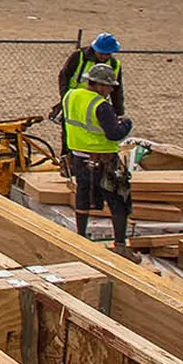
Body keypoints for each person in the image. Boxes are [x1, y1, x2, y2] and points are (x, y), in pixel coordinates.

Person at [63, 61, 136, 257]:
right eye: (109, 86)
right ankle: (120, 246)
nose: (111, 89)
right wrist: (126, 124)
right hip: (102, 159)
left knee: (83, 196)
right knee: (119, 200)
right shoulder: (100, 105)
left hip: (78, 157)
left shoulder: (70, 96)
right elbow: (113, 134)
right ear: (100, 85)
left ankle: (80, 238)